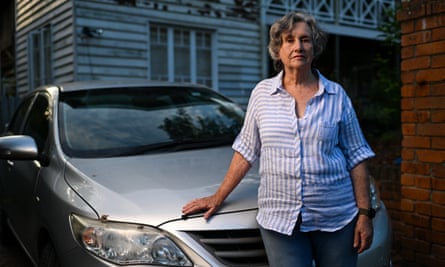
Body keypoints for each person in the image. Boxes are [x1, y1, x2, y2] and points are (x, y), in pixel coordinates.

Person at [182, 11, 375, 267]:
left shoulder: (336, 95)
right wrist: (218, 197)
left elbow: (356, 156)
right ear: (278, 48)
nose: (298, 46)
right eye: (289, 40)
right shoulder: (262, 94)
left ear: (314, 47)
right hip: (279, 219)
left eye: (305, 40)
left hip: (336, 217)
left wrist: (364, 214)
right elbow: (246, 150)